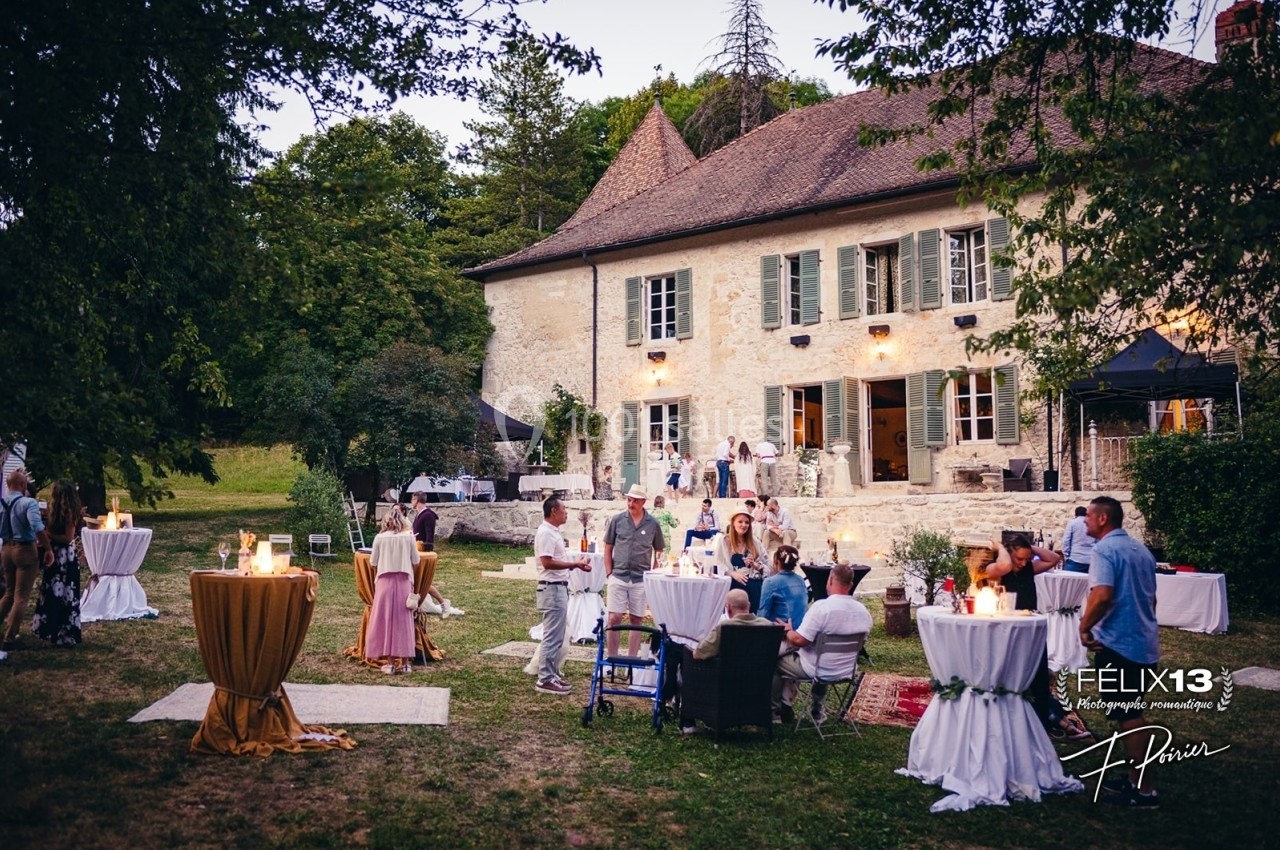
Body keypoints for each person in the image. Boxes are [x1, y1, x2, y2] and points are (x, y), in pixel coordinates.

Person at [1079, 495, 1161, 808]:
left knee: (1129, 716)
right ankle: (1132, 779)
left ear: (1103, 519)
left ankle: (1144, 791)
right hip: (1144, 644)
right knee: (1131, 710)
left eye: (1088, 515)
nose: (1085, 520)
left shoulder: (1103, 549)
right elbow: (1152, 600)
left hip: (1119, 647)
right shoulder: (1141, 550)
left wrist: (1084, 627)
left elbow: (1101, 595)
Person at [985, 534, 1088, 740]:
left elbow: (1053, 559)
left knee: (1039, 678)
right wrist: (1000, 546)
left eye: (1026, 558)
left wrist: (1029, 547)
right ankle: (1053, 721)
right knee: (1019, 679)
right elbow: (1005, 565)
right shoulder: (995, 570)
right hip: (1007, 632)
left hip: (1031, 629)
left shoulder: (1028, 569)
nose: (1023, 563)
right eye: (1019, 559)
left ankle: (1051, 721)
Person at [772, 563, 873, 724]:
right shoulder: (864, 612)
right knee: (822, 657)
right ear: (851, 585)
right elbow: (860, 645)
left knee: (773, 659)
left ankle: (775, 712)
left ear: (831, 580)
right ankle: (818, 711)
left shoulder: (821, 608)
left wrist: (787, 630)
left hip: (816, 669)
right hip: (846, 669)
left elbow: (799, 640)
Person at [532, 495, 592, 695]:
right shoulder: (546, 533)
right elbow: (547, 562)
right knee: (552, 635)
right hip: (551, 588)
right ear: (554, 511)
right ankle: (545, 678)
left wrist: (573, 565)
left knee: (557, 635)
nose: (567, 512)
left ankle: (551, 673)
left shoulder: (553, 532)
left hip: (557, 587)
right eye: (564, 508)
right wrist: (574, 564)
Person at [603, 485, 665, 658]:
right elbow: (608, 547)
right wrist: (609, 572)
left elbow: (659, 550)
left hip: (640, 578)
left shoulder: (652, 523)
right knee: (614, 618)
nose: (631, 504)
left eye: (635, 501)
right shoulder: (617, 520)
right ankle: (612, 658)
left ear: (643, 502)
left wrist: (653, 573)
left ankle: (631, 660)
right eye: (629, 500)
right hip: (619, 575)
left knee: (636, 620)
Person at [0, 469, 54, 651]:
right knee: (21, 596)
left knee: (8, 593)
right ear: (23, 485)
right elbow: (37, 527)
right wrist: (47, 548)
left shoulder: (1, 503)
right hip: (24, 549)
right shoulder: (28, 503)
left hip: (6, 548)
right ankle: (10, 637)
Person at [365, 508, 418, 674]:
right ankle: (405, 662)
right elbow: (416, 560)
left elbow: (373, 562)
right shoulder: (408, 537)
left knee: (385, 619)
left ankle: (389, 662)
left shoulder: (379, 538)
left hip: (384, 581)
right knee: (404, 620)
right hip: (403, 580)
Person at [32, 480, 84, 647]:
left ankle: (64, 632)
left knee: (65, 593)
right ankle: (50, 628)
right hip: (55, 554)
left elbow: (68, 538)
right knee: (51, 591)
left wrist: (48, 535)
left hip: (65, 557)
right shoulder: (55, 511)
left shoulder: (69, 513)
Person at [409, 492, 460, 617]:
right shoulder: (419, 514)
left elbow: (429, 537)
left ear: (416, 500)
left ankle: (443, 603)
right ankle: (418, 607)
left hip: (423, 553)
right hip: (416, 552)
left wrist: (425, 552)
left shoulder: (428, 515)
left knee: (423, 581)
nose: (411, 502)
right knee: (416, 581)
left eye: (412, 499)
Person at [715, 511, 764, 611]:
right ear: (733, 523)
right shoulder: (724, 541)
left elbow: (765, 563)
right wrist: (733, 574)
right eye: (740, 522)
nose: (743, 525)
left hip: (753, 584)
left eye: (746, 522)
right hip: (733, 584)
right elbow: (718, 562)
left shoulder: (755, 541)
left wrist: (755, 565)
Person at [757, 545, 807, 627]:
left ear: (777, 561)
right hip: (801, 628)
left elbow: (763, 614)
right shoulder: (800, 580)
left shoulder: (770, 582)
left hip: (782, 630)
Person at [759, 497, 796, 564]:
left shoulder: (785, 512)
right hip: (778, 534)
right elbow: (767, 526)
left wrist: (775, 526)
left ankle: (787, 556)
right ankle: (762, 555)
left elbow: (785, 526)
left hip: (791, 533)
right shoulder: (769, 513)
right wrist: (775, 530)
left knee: (785, 532)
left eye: (768, 505)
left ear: (773, 505)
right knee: (766, 532)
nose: (766, 507)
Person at [1061, 506, 1094, 573]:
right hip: (1091, 560)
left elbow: (1066, 541)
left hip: (1075, 559)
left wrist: (1067, 556)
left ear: (1075, 515)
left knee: (1070, 583)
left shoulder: (1072, 523)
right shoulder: (1092, 524)